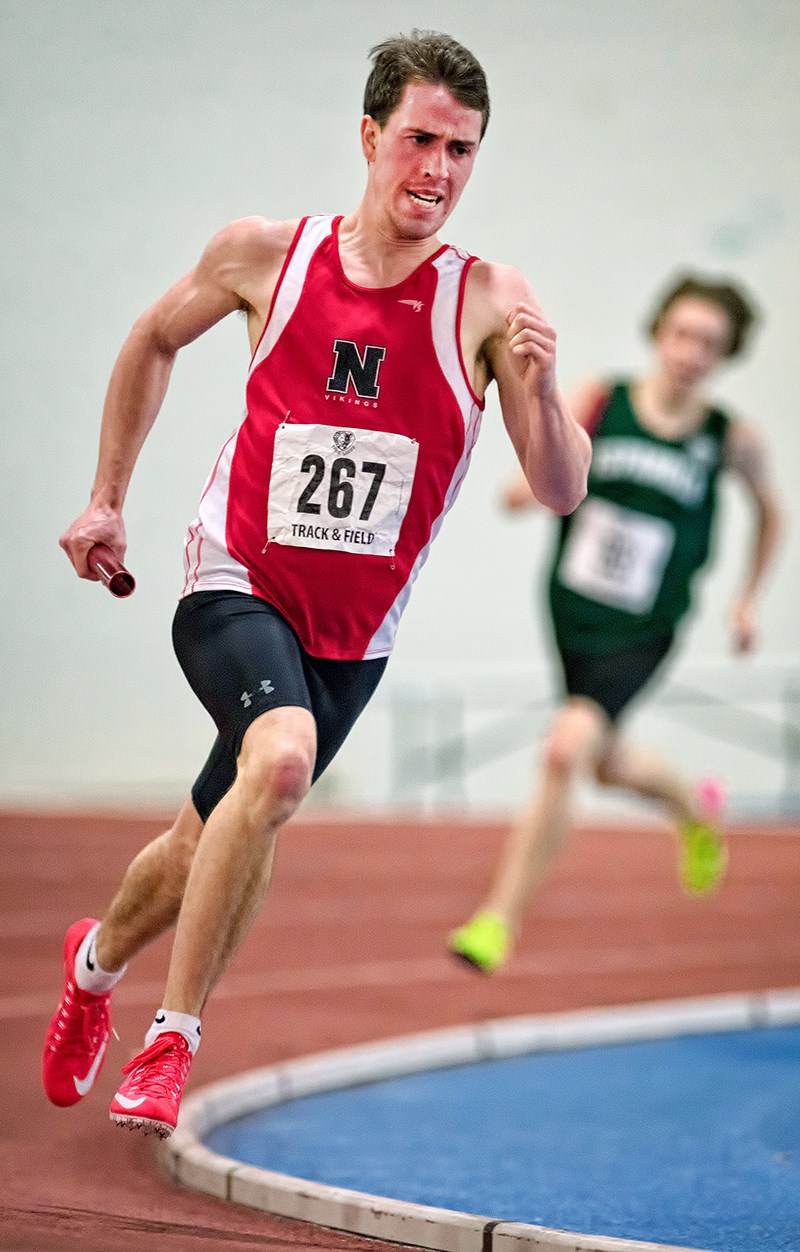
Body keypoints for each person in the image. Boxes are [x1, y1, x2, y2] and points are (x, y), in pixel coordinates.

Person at [41, 30, 591, 1138]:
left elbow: (559, 486)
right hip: (232, 578)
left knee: (214, 832)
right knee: (281, 763)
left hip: (352, 635)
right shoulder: (265, 255)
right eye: (419, 140)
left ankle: (92, 968)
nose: (436, 170)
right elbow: (153, 339)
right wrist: (106, 496)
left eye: (462, 151)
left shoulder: (485, 298)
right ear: (369, 135)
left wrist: (535, 390)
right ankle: (172, 1040)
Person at [449, 273, 782, 974]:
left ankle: (497, 919)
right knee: (604, 759)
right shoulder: (603, 400)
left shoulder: (728, 439)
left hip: (647, 623)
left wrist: (748, 598)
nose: (692, 353)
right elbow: (549, 456)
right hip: (573, 610)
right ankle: (695, 808)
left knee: (567, 747)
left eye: (710, 344)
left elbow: (773, 513)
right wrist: (527, 491)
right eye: (684, 335)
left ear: (726, 356)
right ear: (660, 334)